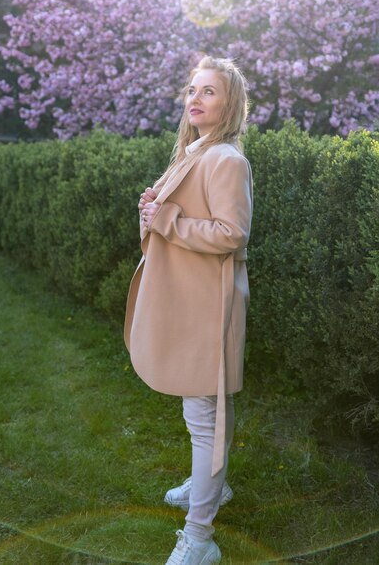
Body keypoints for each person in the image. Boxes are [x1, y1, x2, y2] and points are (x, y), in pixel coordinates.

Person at [124, 56, 253, 564]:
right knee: (198, 407)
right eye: (193, 90)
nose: (195, 99)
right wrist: (152, 211)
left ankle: (200, 537)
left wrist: (168, 218)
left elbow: (232, 233)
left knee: (206, 413)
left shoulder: (226, 159)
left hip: (208, 305)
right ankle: (211, 486)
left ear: (230, 104)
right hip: (188, 298)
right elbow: (173, 221)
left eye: (210, 92)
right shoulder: (192, 153)